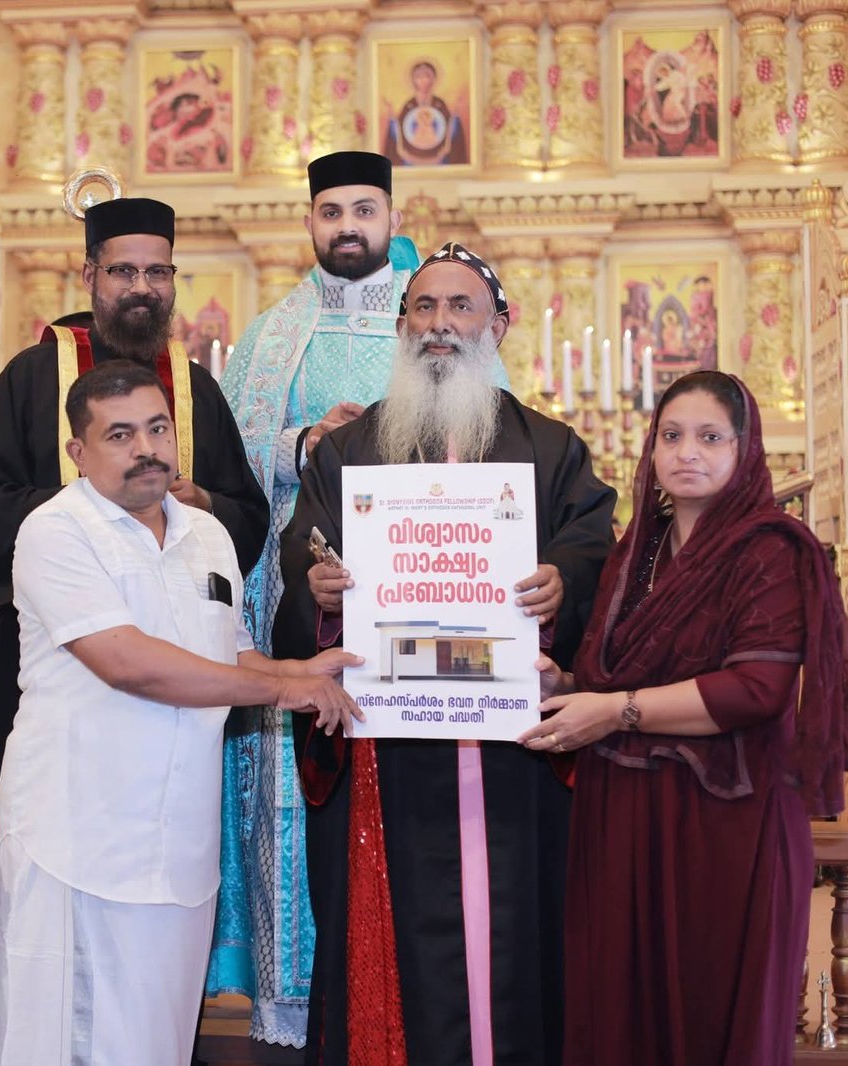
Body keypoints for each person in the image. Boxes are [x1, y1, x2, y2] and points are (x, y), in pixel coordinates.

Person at [279, 243, 616, 1065]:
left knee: (515, 941)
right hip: (389, 753)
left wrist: (561, 584)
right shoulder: (349, 452)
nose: (439, 324)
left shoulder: (552, 448)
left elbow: (592, 548)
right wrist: (321, 591)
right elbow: (303, 556)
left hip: (512, 756)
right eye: (423, 307)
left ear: (498, 326)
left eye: (461, 307)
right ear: (402, 328)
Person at [0, 361, 360, 1066]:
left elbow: (231, 652)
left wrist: (298, 671)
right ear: (78, 452)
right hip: (78, 840)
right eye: (120, 435)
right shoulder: (55, 532)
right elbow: (128, 663)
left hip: (179, 845)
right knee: (67, 1045)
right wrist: (282, 691)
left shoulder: (207, 534)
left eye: (158, 429)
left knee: (157, 1042)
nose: (146, 449)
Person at [0, 196, 269, 993]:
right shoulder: (32, 378)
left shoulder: (194, 390)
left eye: (158, 272)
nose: (142, 288)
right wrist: (99, 504)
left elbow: (247, 515)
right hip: (63, 674)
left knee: (159, 918)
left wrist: (194, 504)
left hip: (180, 688)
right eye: (124, 271)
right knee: (54, 917)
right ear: (90, 275)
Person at [515, 371, 848, 1065]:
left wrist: (614, 711)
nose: (687, 453)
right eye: (672, 436)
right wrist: (569, 684)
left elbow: (755, 690)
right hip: (625, 815)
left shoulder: (769, 549)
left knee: (715, 1015)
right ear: (651, 450)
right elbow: (621, 675)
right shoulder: (636, 552)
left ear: (745, 449)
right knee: (625, 1014)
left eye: (710, 438)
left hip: (726, 822)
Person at [211, 151, 459, 1040]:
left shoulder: (434, 318)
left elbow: (493, 444)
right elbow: (227, 462)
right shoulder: (273, 335)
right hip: (301, 594)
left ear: (391, 215)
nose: (347, 225)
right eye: (330, 211)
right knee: (296, 787)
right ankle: (295, 1002)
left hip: (420, 591)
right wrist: (305, 441)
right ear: (310, 222)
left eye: (363, 209)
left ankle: (402, 985)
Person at [383, 59, 468, 167]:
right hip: (411, 155)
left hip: (438, 155)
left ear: (433, 79)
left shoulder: (439, 104)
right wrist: (392, 118)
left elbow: (450, 129)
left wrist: (455, 116)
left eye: (426, 77)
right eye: (418, 77)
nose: (423, 81)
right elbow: (399, 132)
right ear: (413, 80)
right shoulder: (409, 105)